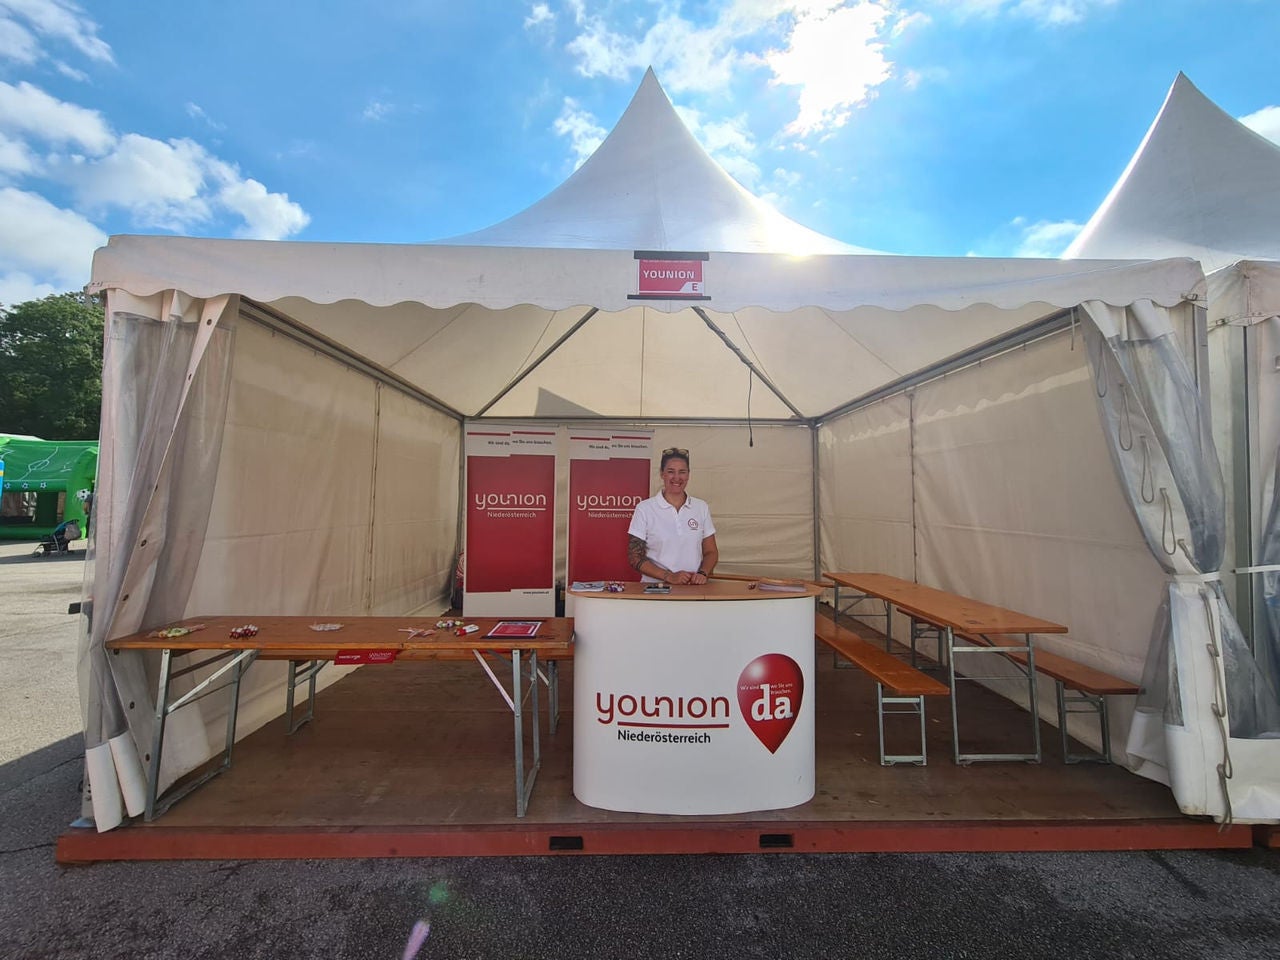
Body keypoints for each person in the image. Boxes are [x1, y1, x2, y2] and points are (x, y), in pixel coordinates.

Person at [627, 446, 718, 585]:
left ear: (688, 475)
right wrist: (669, 576)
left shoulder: (701, 507)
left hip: (692, 589)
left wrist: (703, 573)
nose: (677, 477)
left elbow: (711, 552)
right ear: (662, 474)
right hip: (655, 589)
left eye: (682, 472)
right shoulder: (644, 509)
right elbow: (635, 557)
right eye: (671, 472)